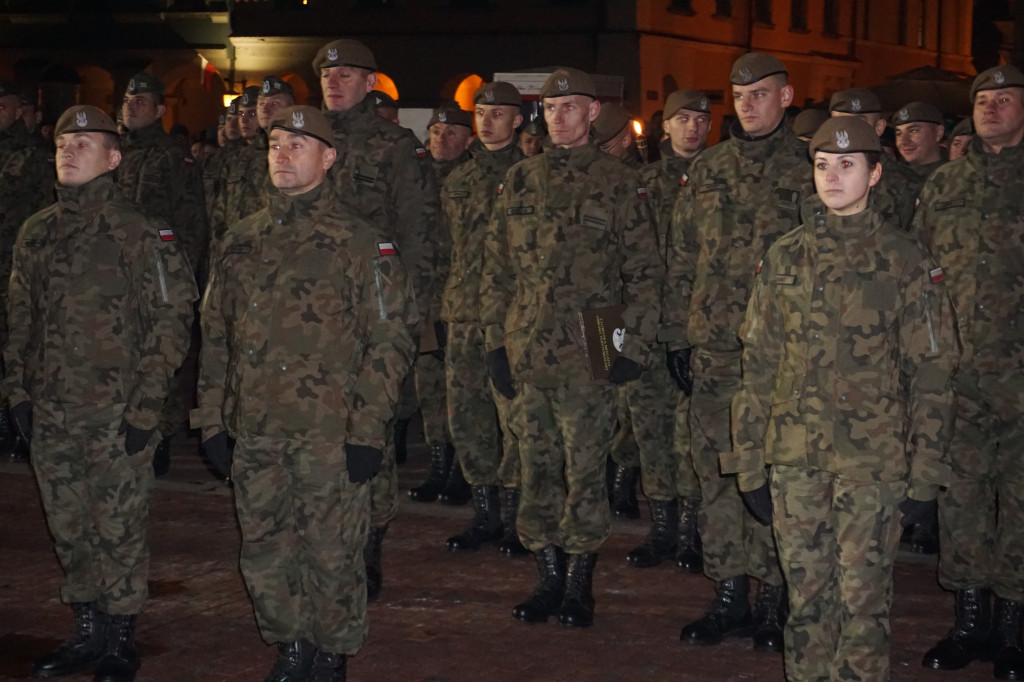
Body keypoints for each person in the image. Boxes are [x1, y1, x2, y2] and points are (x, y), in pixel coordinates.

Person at [725, 115, 958, 682]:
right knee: (805, 599)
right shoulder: (784, 257)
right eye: (822, 165)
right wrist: (749, 461)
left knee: (863, 601)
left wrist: (924, 477)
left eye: (847, 166)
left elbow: (932, 374)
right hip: (795, 458)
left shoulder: (906, 261)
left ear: (876, 174)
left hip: (872, 465)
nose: (831, 177)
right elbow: (757, 367)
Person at [193, 104, 418, 682]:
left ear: (329, 157)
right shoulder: (240, 241)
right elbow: (216, 334)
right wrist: (212, 420)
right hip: (257, 428)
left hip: (329, 431)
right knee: (265, 548)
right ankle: (290, 647)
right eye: (275, 144)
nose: (283, 155)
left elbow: (389, 343)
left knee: (332, 550)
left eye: (298, 144)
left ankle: (332, 654)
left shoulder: (362, 243)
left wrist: (368, 433)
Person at [7, 105, 196, 682]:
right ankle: (85, 629)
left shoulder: (142, 232)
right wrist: (16, 391)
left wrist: (147, 408)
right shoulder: (38, 229)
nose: (70, 150)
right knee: (67, 523)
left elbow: (172, 321)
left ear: (113, 158)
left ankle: (118, 636)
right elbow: (18, 319)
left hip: (115, 409)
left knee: (117, 526)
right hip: (52, 406)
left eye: (85, 142)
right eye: (64, 142)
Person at [480, 67, 662, 628]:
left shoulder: (617, 182)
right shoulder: (521, 180)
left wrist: (631, 346)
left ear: (591, 114)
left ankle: (580, 583)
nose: (559, 118)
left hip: (594, 341)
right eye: (551, 110)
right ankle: (547, 578)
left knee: (585, 468)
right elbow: (497, 271)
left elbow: (645, 273)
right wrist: (494, 346)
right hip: (528, 343)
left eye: (570, 108)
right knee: (536, 467)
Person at [662, 52, 813, 651]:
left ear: (786, 96)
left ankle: (774, 597)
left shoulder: (809, 170)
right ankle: (729, 592)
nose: (748, 104)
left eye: (761, 93)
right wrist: (676, 334)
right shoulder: (708, 169)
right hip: (716, 352)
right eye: (740, 95)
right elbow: (681, 259)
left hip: (782, 359)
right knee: (717, 476)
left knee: (774, 478)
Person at [314, 37, 443, 601]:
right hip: (308, 316)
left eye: (348, 74)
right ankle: (321, 541)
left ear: (372, 83)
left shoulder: (395, 146)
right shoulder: (303, 140)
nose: (335, 82)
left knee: (371, 429)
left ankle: (369, 543)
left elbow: (420, 236)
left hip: (371, 311)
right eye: (327, 74)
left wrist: (412, 316)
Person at [913, 64, 1024, 680]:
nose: (992, 108)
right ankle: (968, 620)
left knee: (1021, 506)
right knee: (963, 503)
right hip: (957, 378)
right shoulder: (945, 186)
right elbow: (920, 278)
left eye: (1006, 99)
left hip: (1019, 378)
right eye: (984, 99)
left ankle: (1011, 629)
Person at [619, 89, 713, 574]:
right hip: (643, 328)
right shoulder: (641, 182)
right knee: (649, 431)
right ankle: (661, 528)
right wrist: (610, 341)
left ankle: (691, 531)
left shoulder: (719, 180)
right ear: (665, 127)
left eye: (701, 119)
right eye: (682, 118)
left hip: (695, 328)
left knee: (689, 436)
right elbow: (612, 259)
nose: (693, 127)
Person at [440, 81, 526, 556]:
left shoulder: (528, 176)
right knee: (467, 415)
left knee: (514, 416)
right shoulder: (457, 180)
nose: (487, 119)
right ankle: (484, 512)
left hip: (511, 318)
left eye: (499, 113)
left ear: (517, 120)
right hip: (462, 313)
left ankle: (516, 516)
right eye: (481, 112)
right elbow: (441, 251)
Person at [0, 76, 54, 456]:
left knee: (19, 345)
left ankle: (16, 423)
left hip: (16, 268)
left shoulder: (35, 155)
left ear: (21, 111)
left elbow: (46, 215)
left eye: (3, 106)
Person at [829, 87, 919, 230]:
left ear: (879, 127)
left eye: (860, 122)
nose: (849, 130)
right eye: (840, 122)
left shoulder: (906, 184)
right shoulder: (815, 176)